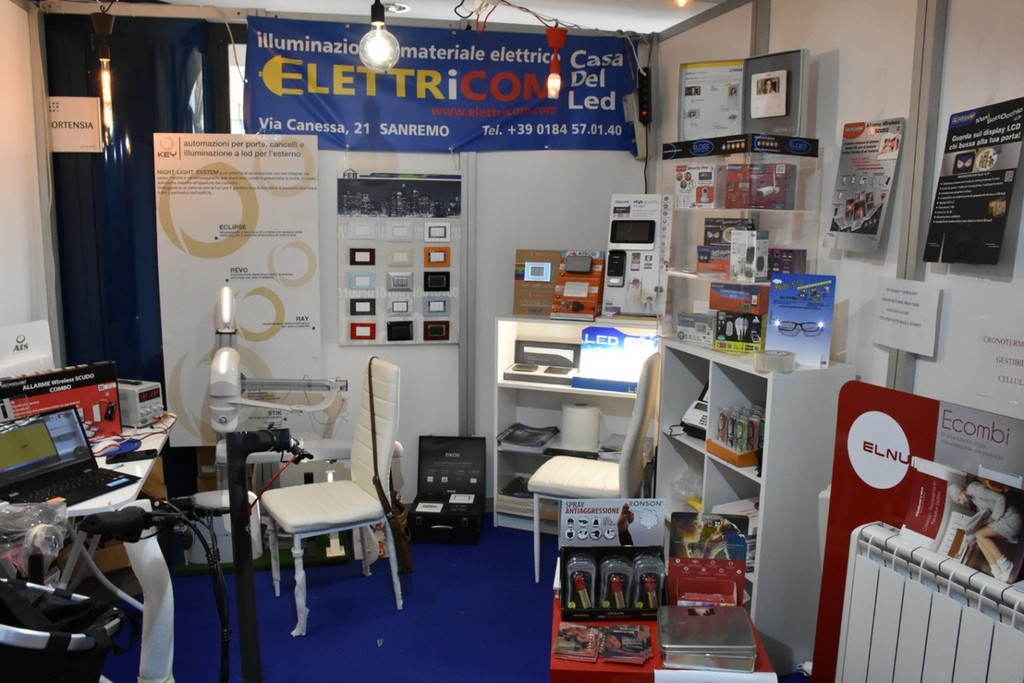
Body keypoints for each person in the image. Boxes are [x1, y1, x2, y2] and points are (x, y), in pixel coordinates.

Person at [949, 479, 1023, 582]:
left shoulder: (974, 489)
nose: (962, 502)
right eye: (959, 502)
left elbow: (1000, 498)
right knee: (978, 537)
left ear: (960, 491)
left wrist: (993, 518)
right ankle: (996, 570)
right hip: (1004, 519)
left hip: (1011, 518)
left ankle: (1005, 564)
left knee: (980, 535)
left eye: (959, 499)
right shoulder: (973, 497)